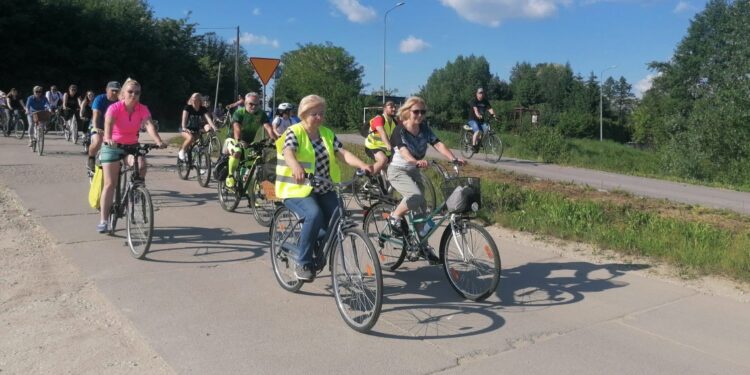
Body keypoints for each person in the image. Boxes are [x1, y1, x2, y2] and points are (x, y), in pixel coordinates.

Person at [275, 94, 372, 280]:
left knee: (338, 217)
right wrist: (295, 166)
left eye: (321, 113)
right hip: (297, 189)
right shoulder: (294, 131)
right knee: (314, 214)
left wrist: (362, 165)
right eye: (314, 114)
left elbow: (341, 152)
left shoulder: (326, 133)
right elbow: (288, 151)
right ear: (304, 114)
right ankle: (303, 262)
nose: (319, 117)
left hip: (324, 187)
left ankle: (315, 243)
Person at [388, 96, 465, 240]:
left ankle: (420, 243)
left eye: (423, 112)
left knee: (421, 206)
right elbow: (403, 151)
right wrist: (415, 161)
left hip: (413, 170)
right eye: (416, 112)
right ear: (407, 111)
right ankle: (394, 216)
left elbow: (437, 143)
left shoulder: (424, 128)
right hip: (398, 171)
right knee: (416, 196)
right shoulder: (400, 130)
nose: (420, 115)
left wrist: (453, 158)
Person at [98, 78, 166, 233]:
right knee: (110, 183)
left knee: (141, 165)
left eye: (137, 92)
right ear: (123, 93)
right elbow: (108, 123)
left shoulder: (142, 109)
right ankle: (103, 220)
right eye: (130, 92)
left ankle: (135, 190)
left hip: (131, 146)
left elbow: (149, 124)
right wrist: (108, 138)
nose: (133, 95)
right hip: (112, 146)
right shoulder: (115, 108)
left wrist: (158, 140)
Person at [224, 92, 274, 188]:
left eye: (257, 104)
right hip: (233, 139)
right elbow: (236, 128)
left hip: (248, 142)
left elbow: (268, 127)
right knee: (237, 151)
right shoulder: (239, 112)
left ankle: (251, 193)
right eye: (251, 104)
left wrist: (273, 139)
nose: (254, 106)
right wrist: (239, 140)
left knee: (255, 159)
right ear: (245, 103)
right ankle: (230, 175)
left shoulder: (261, 114)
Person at [87, 81, 120, 171]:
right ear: (107, 90)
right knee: (97, 141)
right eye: (112, 90)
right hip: (99, 125)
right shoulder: (100, 99)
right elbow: (96, 114)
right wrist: (96, 127)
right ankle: (91, 158)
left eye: (117, 91)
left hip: (113, 127)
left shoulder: (121, 101)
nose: (115, 93)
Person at [178, 92, 217, 161]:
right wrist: (184, 128)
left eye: (195, 99)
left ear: (199, 100)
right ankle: (182, 151)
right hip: (185, 128)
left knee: (198, 145)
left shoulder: (203, 109)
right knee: (190, 138)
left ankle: (198, 164)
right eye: (192, 98)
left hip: (196, 129)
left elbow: (208, 119)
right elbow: (184, 118)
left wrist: (214, 127)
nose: (193, 100)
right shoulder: (187, 107)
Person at [364, 100, 398, 175]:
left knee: (395, 167)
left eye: (395, 107)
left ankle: (383, 183)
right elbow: (382, 132)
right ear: (384, 108)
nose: (394, 109)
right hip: (373, 146)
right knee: (383, 160)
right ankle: (370, 177)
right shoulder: (379, 119)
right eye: (391, 107)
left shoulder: (394, 122)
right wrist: (388, 145)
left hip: (386, 149)